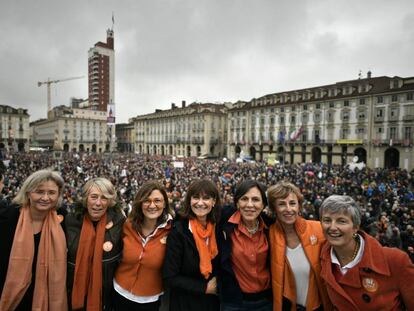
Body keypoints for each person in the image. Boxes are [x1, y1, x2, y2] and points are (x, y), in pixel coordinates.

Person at [319, 195, 414, 310]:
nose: (332, 227)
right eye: (327, 220)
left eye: (341, 221)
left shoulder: (395, 260)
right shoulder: (321, 257)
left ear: (355, 228)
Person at [0, 169, 68, 310]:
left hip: (47, 296)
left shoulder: (64, 218)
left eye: (51, 193)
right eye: (39, 191)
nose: (45, 198)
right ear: (28, 192)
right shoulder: (6, 218)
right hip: (11, 296)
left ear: (58, 195)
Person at [267, 181, 331, 311]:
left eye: (292, 203)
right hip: (287, 305)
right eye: (281, 204)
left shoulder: (318, 229)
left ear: (299, 206)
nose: (288, 209)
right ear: (274, 209)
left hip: (317, 306)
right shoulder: (268, 234)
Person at [66, 177, 125, 310]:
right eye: (94, 197)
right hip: (73, 292)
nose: (98, 203)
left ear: (110, 201)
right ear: (86, 198)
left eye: (104, 198)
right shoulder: (70, 221)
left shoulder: (119, 222)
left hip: (106, 296)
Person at [113, 181, 173, 310]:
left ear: (165, 204)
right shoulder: (127, 225)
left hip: (150, 299)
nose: (152, 205)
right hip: (119, 292)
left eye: (157, 200)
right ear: (140, 203)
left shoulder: (173, 230)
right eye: (147, 200)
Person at [163, 179, 221, 311]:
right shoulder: (179, 231)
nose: (200, 203)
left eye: (206, 198)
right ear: (189, 200)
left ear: (214, 202)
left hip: (213, 303)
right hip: (185, 303)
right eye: (196, 197)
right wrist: (204, 288)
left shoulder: (219, 227)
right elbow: (170, 277)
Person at [217, 179, 273, 310]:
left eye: (255, 200)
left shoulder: (271, 227)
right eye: (244, 199)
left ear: (263, 204)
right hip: (234, 302)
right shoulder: (223, 222)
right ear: (237, 202)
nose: (249, 205)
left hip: (266, 301)